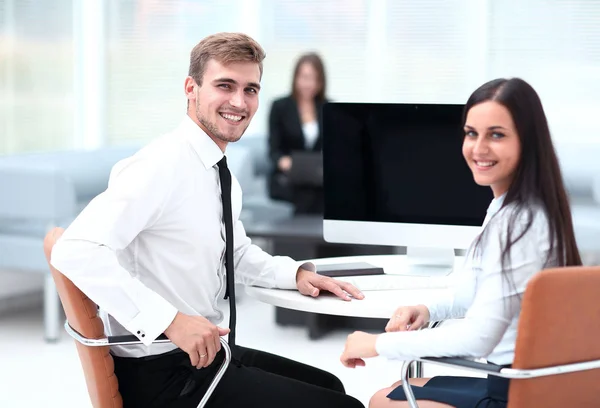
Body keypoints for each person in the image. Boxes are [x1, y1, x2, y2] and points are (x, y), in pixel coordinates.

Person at [51, 32, 364, 408]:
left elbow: (234, 252)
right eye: (225, 85)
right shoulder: (160, 166)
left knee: (330, 386)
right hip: (164, 374)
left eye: (250, 89)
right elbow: (74, 250)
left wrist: (294, 274)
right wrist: (170, 320)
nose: (239, 101)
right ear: (191, 88)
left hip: (205, 356)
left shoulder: (217, 171)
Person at [339, 77, 582, 408]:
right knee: (399, 387)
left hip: (517, 393)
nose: (478, 148)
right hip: (534, 386)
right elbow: (482, 295)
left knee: (381, 400)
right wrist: (428, 310)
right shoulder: (514, 208)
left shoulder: (518, 223)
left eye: (496, 134)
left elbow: (479, 338)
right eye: (471, 133)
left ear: (527, 141)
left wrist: (375, 344)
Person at [267, 52, 328, 214]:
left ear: (321, 81)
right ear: (295, 77)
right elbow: (274, 150)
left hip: (318, 177)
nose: (309, 83)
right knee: (307, 194)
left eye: (314, 78)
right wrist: (284, 162)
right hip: (288, 176)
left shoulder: (328, 108)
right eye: (305, 77)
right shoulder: (280, 107)